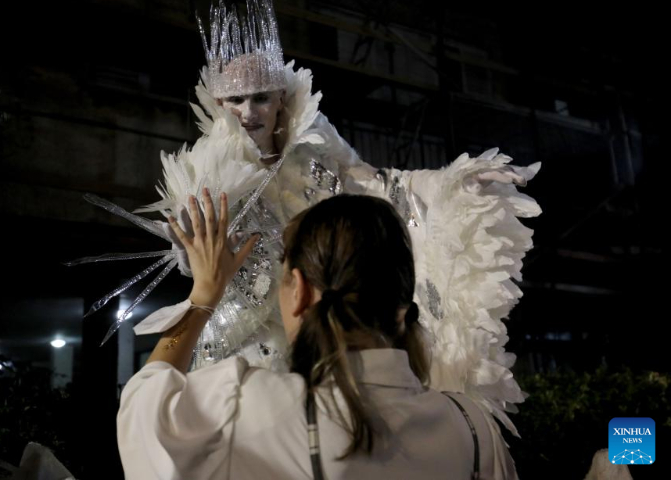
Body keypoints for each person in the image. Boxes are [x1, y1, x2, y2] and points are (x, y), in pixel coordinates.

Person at [79, 0, 540, 434]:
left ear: (281, 97)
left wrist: (452, 185)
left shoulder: (314, 137)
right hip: (244, 351)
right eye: (235, 101)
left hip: (326, 336)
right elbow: (197, 255)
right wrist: (188, 251)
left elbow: (376, 182)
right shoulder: (204, 173)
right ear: (219, 106)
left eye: (260, 97)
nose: (248, 112)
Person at [117, 191, 519, 479]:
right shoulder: (474, 428)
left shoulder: (245, 408)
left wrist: (204, 295)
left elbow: (143, 404)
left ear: (300, 291)